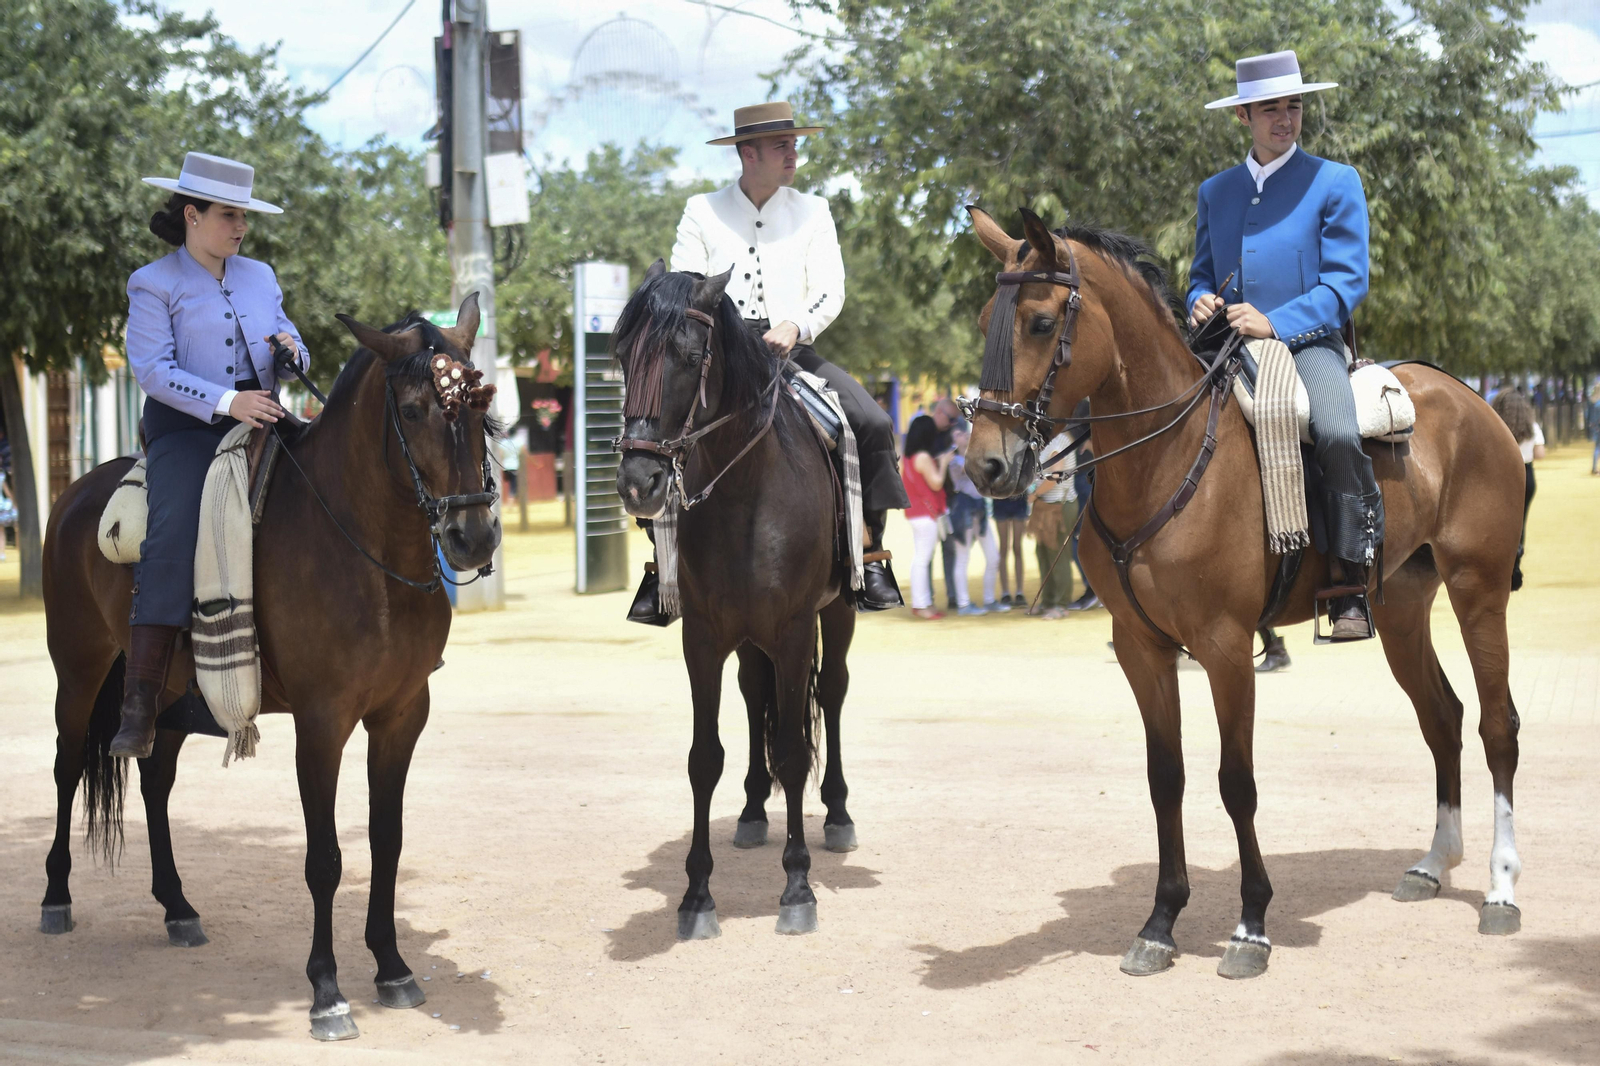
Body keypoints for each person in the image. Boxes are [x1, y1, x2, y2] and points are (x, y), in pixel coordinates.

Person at [629, 101, 907, 621]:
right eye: (783, 146)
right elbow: (685, 288)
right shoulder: (701, 210)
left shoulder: (814, 210)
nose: (794, 155)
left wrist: (795, 325)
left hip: (792, 352)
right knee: (662, 432)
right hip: (720, 360)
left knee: (870, 422)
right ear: (747, 152)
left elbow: (831, 290)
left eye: (795, 144)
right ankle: (663, 571)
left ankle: (869, 556)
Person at [113, 152, 306, 759]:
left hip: (266, 417)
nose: (240, 227)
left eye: (244, 216)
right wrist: (229, 402)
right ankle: (140, 700)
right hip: (186, 430)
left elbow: (285, 331)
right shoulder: (152, 282)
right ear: (193, 215)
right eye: (229, 215)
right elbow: (153, 371)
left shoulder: (260, 274)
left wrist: (292, 350)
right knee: (171, 533)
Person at [1188, 50, 1380, 642]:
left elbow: (1347, 283)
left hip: (1308, 343)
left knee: (1339, 429)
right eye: (1271, 108)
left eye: (1294, 106)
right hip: (1228, 348)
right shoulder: (1215, 192)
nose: (1286, 118)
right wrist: (1198, 299)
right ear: (1242, 115)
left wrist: (1274, 322)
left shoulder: (1335, 181)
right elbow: (1201, 271)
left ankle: (1349, 578)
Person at [1491, 389, 1544, 591]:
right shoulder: (1532, 426)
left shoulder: (1496, 425)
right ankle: (1515, 567)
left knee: (1499, 523)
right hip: (1526, 475)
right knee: (1520, 523)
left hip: (1502, 475)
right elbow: (1540, 454)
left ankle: (1499, 567)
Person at [948, 422, 1002, 614]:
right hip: (963, 511)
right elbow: (967, 470)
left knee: (993, 557)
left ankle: (989, 600)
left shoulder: (976, 456)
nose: (963, 436)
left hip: (980, 510)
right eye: (958, 434)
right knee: (962, 558)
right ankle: (963, 604)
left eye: (964, 433)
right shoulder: (953, 460)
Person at [902, 414, 951, 619]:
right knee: (923, 559)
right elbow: (936, 482)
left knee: (920, 559)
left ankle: (921, 602)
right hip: (926, 513)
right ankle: (921, 605)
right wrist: (945, 462)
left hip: (917, 512)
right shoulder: (923, 457)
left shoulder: (910, 456)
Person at [1027, 432, 1078, 619]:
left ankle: (1060, 604)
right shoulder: (1050, 440)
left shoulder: (1059, 441)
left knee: (1057, 555)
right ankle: (1048, 602)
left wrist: (1034, 494)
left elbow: (1056, 475)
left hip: (1059, 505)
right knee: (1043, 553)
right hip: (1047, 505)